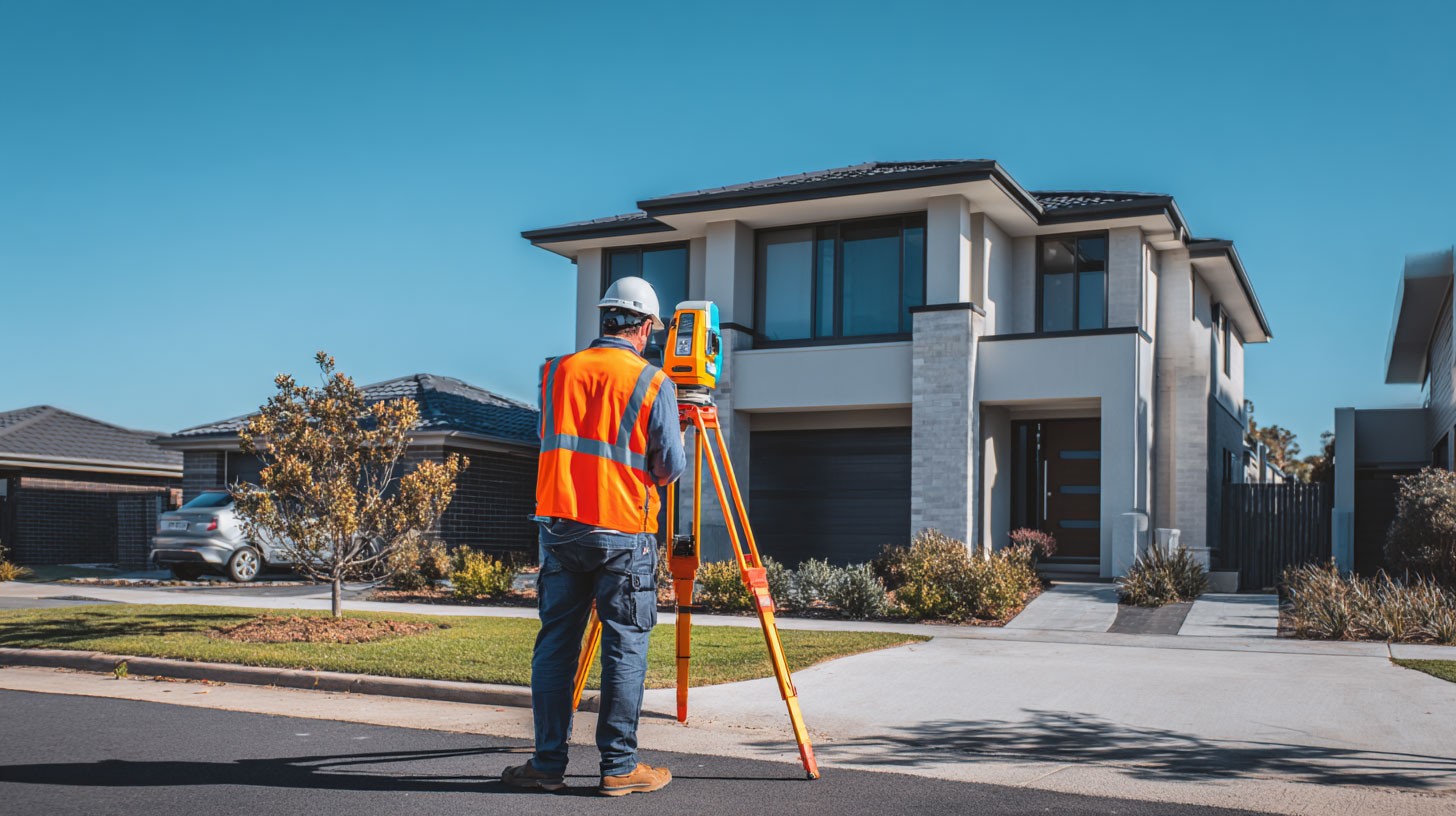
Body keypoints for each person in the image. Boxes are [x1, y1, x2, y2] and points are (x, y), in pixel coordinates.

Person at [502, 276, 687, 796]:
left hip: (560, 529)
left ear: (605, 318)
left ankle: (546, 764)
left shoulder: (555, 372)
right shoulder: (654, 382)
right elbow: (669, 466)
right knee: (624, 647)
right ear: (646, 327)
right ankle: (619, 767)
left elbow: (556, 439)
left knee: (556, 645)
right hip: (624, 531)